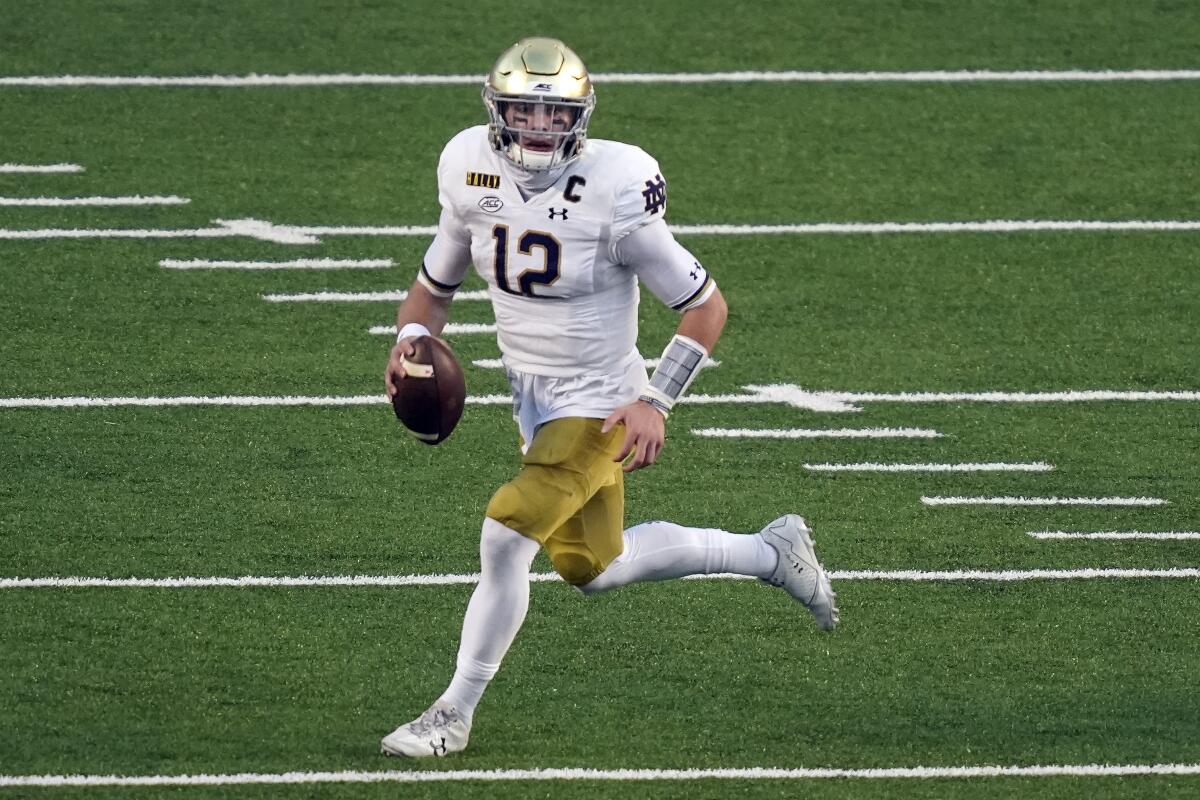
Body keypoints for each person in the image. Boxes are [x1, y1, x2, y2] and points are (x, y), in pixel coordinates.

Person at [380, 37, 838, 758]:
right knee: (594, 568)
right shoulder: (467, 164)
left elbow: (706, 307)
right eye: (523, 109)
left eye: (553, 111)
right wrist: (409, 339)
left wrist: (656, 400)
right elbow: (437, 283)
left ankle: (451, 713)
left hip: (600, 400)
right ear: (497, 111)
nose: (537, 124)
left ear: (578, 117)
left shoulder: (616, 184)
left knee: (505, 536)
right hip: (530, 397)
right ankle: (770, 553)